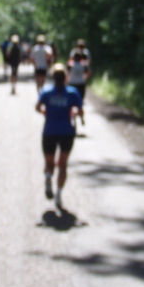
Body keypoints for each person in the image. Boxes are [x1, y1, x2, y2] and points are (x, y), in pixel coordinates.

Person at [36, 63, 83, 211]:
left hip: (49, 131)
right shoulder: (73, 92)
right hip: (67, 133)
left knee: (49, 162)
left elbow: (38, 107)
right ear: (66, 77)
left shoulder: (46, 91)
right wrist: (74, 112)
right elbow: (79, 111)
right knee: (62, 164)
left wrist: (46, 112)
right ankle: (58, 194)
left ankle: (49, 176)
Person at [67, 50, 90, 126]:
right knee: (80, 103)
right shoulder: (83, 65)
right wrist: (84, 78)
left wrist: (67, 80)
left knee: (71, 103)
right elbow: (88, 73)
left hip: (72, 84)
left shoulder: (70, 65)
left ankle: (72, 118)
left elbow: (67, 74)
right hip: (81, 84)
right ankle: (81, 118)